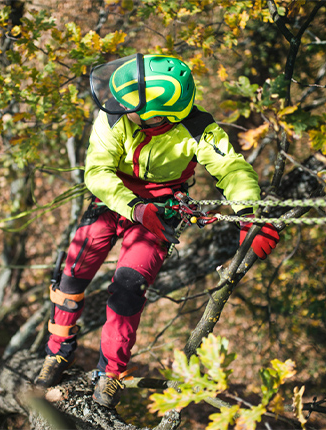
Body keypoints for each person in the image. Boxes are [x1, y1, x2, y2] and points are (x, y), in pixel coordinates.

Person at [34, 54, 279, 408]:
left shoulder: (199, 130)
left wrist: (251, 216)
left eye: (130, 105)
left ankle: (110, 372)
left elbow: (232, 170)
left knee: (128, 288)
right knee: (72, 277)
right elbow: (97, 172)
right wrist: (133, 206)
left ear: (158, 116)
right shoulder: (116, 114)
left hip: (162, 208)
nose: (118, 106)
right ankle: (58, 351)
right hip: (113, 199)